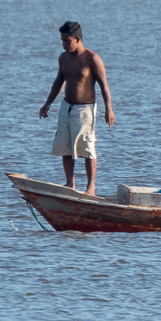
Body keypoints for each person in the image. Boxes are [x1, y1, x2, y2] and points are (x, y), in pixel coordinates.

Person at [38, 20, 115, 193]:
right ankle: (69, 183)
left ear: (78, 39)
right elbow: (59, 81)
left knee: (87, 148)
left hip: (85, 110)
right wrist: (47, 103)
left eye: (67, 41)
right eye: (62, 41)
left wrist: (108, 109)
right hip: (67, 107)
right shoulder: (63, 58)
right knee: (65, 147)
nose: (64, 44)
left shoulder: (92, 59)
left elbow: (104, 85)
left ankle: (90, 188)